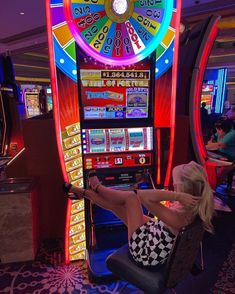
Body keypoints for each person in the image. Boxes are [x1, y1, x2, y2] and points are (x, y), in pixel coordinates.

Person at [63, 161, 214, 267]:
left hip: (146, 253)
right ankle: (83, 192)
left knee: (130, 198)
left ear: (182, 187)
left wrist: (177, 196)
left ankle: (97, 187)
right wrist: (178, 197)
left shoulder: (180, 215)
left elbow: (142, 196)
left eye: (175, 185)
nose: (172, 188)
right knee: (117, 207)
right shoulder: (193, 206)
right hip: (156, 236)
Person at [206, 118, 235, 187]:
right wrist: (211, 141)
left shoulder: (232, 134)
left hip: (232, 157)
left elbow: (220, 145)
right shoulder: (220, 131)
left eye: (218, 129)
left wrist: (204, 147)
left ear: (222, 129)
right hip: (222, 155)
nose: (217, 131)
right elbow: (212, 139)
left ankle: (213, 186)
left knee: (223, 171)